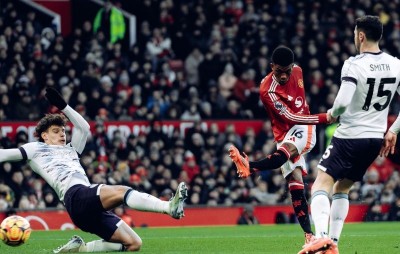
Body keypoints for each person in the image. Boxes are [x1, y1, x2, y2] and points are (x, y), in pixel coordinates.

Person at [0, 87, 188, 253]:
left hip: (87, 207)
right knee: (122, 191)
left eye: (63, 131)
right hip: (75, 196)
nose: (62, 135)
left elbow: (84, 127)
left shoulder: (71, 150)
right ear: (44, 136)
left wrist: (64, 106)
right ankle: (167, 207)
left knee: (133, 244)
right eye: (56, 131)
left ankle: (80, 249)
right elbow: (4, 155)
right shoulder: (35, 149)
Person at [298, 15, 400, 254]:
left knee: (320, 185)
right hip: (375, 139)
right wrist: (393, 130)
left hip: (350, 135)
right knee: (342, 189)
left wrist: (332, 113)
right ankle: (333, 244)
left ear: (361, 35)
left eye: (355, 33)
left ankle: (321, 238)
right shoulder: (396, 64)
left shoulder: (354, 64)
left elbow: (342, 103)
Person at [229, 46, 332, 245]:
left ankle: (250, 166)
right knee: (295, 182)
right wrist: (325, 117)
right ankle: (309, 236)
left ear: (292, 66)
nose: (284, 76)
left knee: (284, 155)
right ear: (271, 67)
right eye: (279, 71)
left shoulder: (299, 72)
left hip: (304, 125)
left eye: (287, 71)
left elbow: (297, 116)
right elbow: (288, 116)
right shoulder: (267, 89)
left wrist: (316, 119)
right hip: (284, 130)